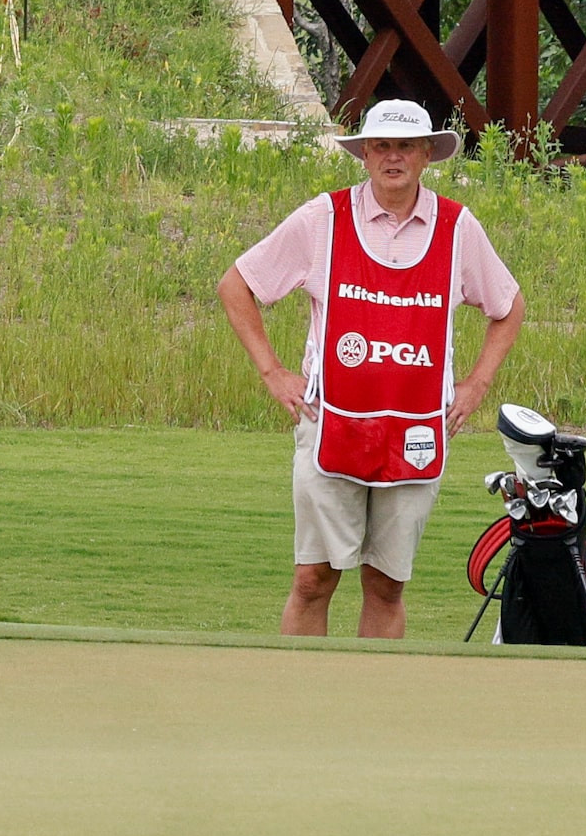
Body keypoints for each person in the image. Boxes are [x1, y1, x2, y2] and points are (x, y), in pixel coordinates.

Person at [217, 98, 526, 638]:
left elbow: (508, 306)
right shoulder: (324, 219)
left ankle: (371, 707)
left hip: (416, 433)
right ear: (364, 155)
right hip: (331, 423)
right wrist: (274, 373)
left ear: (426, 155)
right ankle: (302, 704)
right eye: (381, 145)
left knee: (386, 584)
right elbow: (237, 284)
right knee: (314, 578)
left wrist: (476, 384)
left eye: (405, 146)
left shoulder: (457, 227)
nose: (393, 157)